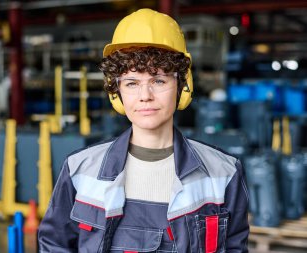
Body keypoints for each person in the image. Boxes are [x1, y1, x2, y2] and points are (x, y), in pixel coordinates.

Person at [38, 8, 249, 253]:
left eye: (158, 81)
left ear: (182, 85)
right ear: (116, 92)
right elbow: (54, 246)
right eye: (131, 83)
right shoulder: (80, 170)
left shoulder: (223, 172)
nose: (145, 96)